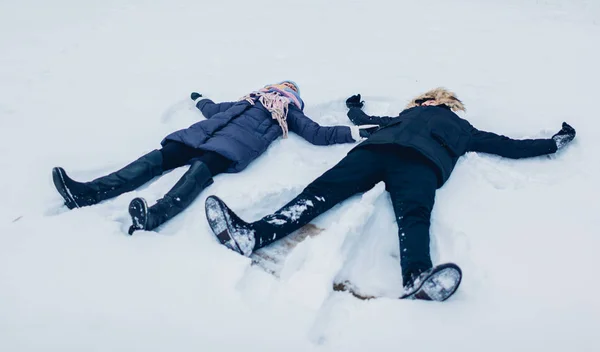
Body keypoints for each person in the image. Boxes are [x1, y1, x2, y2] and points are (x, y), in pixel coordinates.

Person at [204, 88, 576, 295]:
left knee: (414, 215)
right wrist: (354, 107)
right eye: (427, 99)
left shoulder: (464, 128)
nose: (431, 103)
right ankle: (252, 235)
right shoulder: (402, 116)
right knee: (318, 193)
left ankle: (417, 277)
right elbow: (364, 121)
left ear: (448, 105)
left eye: (439, 100)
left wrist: (552, 143)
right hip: (373, 153)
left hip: (420, 164)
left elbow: (510, 145)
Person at [52, 81, 377, 235]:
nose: (277, 94)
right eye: (276, 89)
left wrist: (354, 133)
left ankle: (153, 217)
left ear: (290, 98)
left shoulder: (287, 113)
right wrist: (200, 98)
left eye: (284, 92)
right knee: (154, 160)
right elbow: (212, 109)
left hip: (228, 149)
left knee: (196, 175)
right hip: (197, 135)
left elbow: (317, 133)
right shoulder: (245, 102)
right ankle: (87, 192)